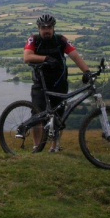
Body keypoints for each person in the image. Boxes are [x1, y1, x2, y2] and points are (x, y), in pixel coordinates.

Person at [23, 13, 91, 153]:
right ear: (38, 28)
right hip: (40, 85)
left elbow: (74, 56)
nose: (46, 30)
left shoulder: (61, 40)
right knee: (37, 116)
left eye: (49, 27)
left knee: (58, 117)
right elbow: (27, 57)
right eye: (43, 27)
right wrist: (46, 58)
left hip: (59, 84)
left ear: (53, 28)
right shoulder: (33, 39)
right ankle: (36, 147)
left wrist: (86, 71)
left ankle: (55, 147)